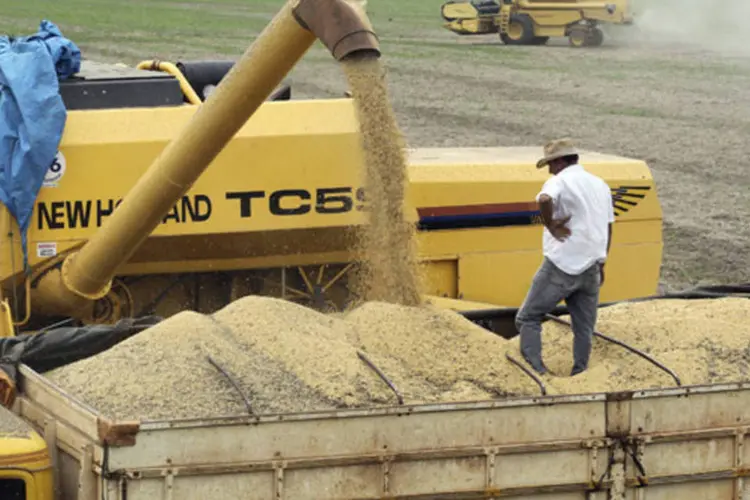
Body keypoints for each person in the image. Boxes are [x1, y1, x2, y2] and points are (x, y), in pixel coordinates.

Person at [515, 139, 614, 376]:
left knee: (528, 317)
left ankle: (537, 372)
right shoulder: (600, 184)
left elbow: (544, 199)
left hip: (562, 265)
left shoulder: (559, 181)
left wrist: (550, 224)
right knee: (584, 328)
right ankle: (580, 373)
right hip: (592, 266)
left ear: (560, 161)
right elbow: (609, 226)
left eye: (550, 163)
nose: (549, 169)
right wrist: (602, 262)